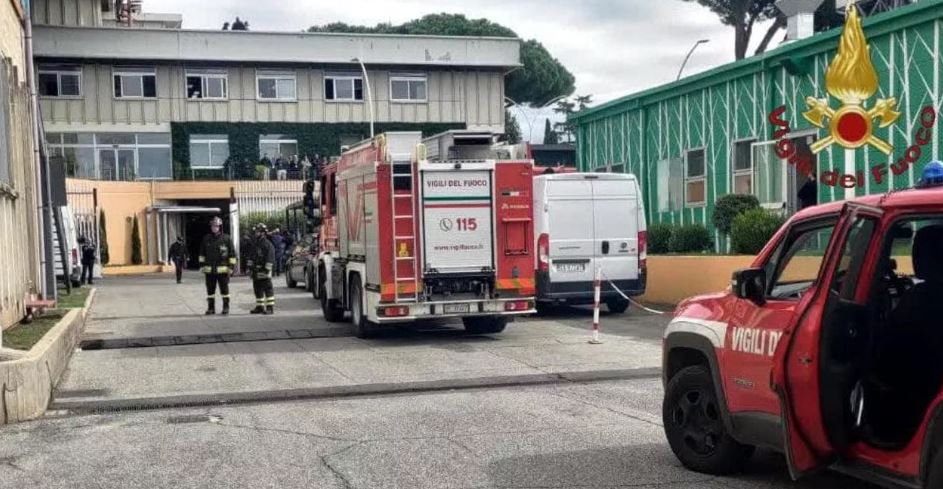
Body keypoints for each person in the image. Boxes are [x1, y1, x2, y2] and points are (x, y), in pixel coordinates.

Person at [199, 216, 236, 315]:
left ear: (220, 227)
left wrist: (231, 267)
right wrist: (202, 265)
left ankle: (226, 307)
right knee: (210, 292)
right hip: (209, 271)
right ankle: (211, 308)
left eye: (216, 226)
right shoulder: (206, 238)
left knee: (224, 291)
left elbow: (232, 254)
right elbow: (202, 254)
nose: (214, 228)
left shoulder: (226, 239)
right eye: (212, 226)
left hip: (223, 271)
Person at [248, 223, 276, 315]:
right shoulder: (255, 243)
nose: (256, 233)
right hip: (256, 271)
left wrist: (266, 270)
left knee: (267, 289)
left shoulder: (268, 244)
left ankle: (269, 308)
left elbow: (270, 258)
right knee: (257, 289)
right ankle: (259, 307)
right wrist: (250, 268)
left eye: (257, 231)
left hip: (264, 271)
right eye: (255, 231)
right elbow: (251, 257)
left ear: (263, 233)